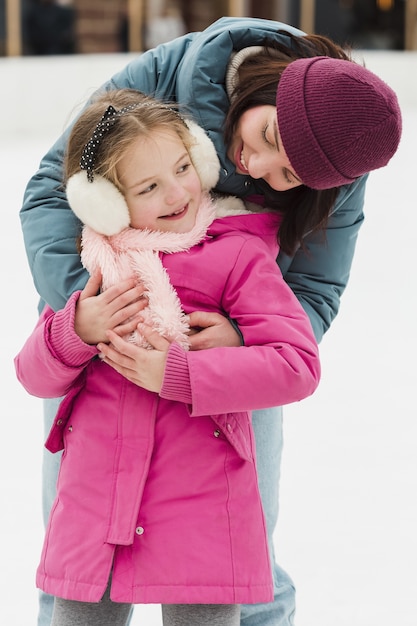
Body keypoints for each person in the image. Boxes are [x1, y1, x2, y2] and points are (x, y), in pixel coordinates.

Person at [19, 17, 402, 626]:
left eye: (286, 178)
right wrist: (99, 316)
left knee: (239, 544)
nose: (257, 164)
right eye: (269, 133)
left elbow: (315, 290)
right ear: (275, 87)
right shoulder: (161, 79)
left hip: (227, 356)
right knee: (79, 552)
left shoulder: (337, 164)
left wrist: (242, 343)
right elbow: (51, 190)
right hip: (100, 339)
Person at [15, 87, 322, 626]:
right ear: (105, 201)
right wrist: (75, 330)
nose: (177, 191)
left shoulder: (237, 252)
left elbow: (296, 365)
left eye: (183, 167)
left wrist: (182, 373)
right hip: (96, 508)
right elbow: (32, 375)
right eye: (148, 186)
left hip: (202, 507)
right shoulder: (98, 265)